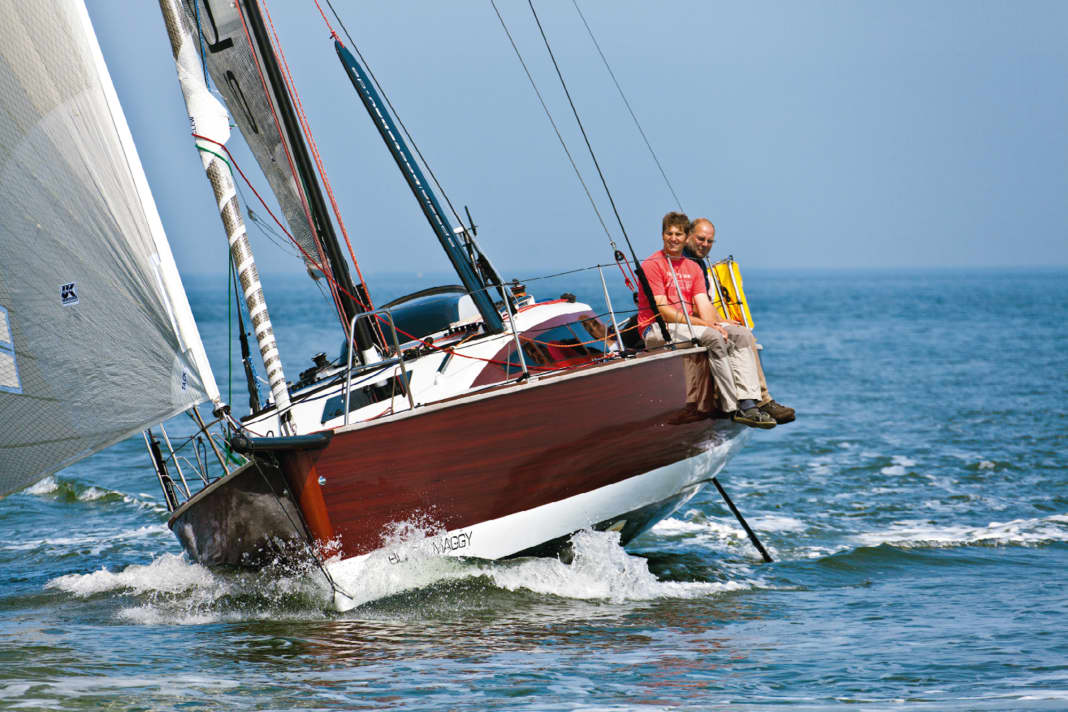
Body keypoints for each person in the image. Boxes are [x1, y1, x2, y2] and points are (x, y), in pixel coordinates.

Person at [638, 212, 775, 428]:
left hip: (687, 326)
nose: (673, 238)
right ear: (662, 235)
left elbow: (703, 304)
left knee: (740, 334)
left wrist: (722, 324)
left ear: (686, 238)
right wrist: (706, 326)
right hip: (657, 329)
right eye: (668, 233)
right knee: (712, 336)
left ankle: (749, 402)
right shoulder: (652, 264)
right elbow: (663, 310)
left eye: (678, 234)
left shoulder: (693, 267)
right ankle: (732, 406)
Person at [683, 218, 795, 424]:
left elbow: (704, 302)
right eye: (700, 239)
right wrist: (713, 323)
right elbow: (689, 305)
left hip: (702, 318)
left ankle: (760, 399)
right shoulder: (683, 263)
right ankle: (745, 403)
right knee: (726, 335)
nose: (704, 244)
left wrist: (721, 319)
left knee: (744, 334)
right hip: (689, 322)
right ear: (689, 236)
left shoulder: (698, 264)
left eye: (709, 241)